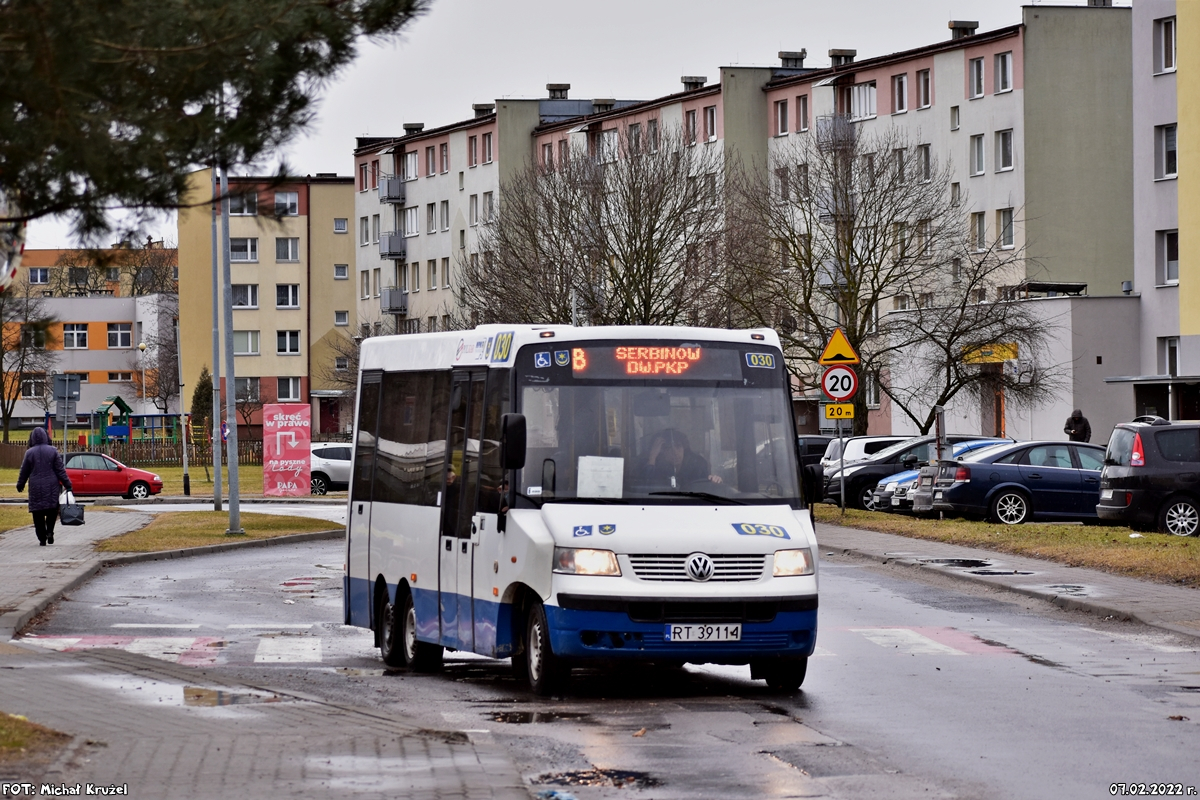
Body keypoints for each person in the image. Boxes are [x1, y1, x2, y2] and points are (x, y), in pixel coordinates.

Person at [15, 427, 72, 546]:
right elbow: (60, 470)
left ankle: (42, 538)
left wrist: (20, 484)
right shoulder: (53, 451)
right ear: (46, 436)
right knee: (52, 511)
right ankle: (50, 532)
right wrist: (68, 484)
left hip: (35, 487)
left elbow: (24, 471)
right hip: (51, 486)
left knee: (37, 514)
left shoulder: (29, 453)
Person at [643, 428, 721, 487]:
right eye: (669, 448)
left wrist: (715, 480)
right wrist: (652, 458)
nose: (675, 452)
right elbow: (646, 487)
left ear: (684, 448)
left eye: (678, 446)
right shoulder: (655, 465)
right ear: (660, 452)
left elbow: (706, 489)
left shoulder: (698, 466)